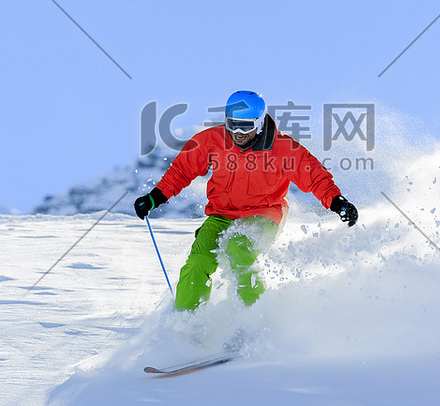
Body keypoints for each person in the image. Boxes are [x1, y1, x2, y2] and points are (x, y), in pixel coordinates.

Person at [134, 90, 359, 311]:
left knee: (237, 251)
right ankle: (186, 322)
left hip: (263, 215)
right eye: (233, 125)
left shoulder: (282, 148)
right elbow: (181, 171)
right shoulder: (211, 140)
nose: (238, 132)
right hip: (221, 214)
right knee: (198, 262)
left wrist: (337, 202)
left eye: (246, 126)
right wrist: (155, 197)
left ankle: (254, 319)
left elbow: (314, 176)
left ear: (260, 122)